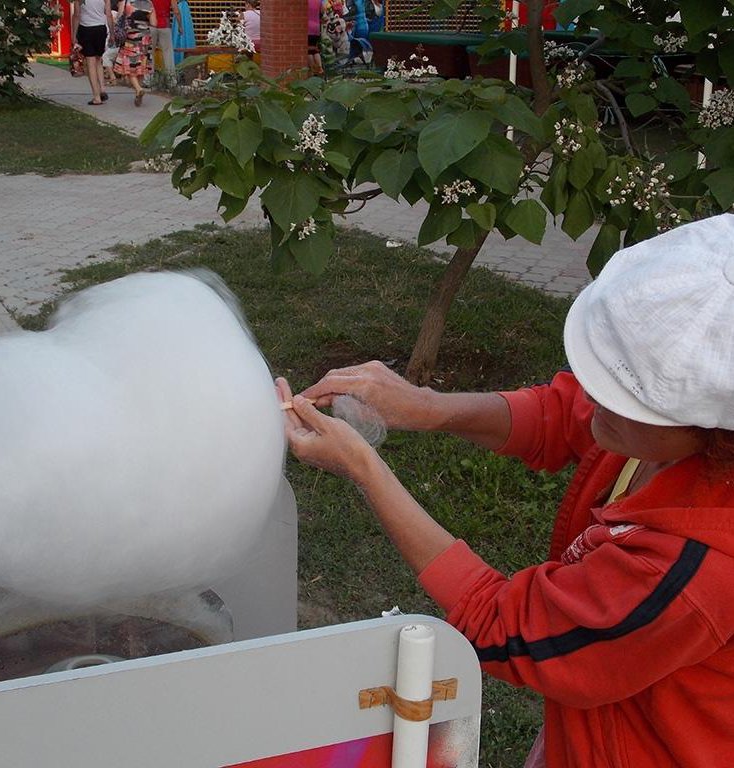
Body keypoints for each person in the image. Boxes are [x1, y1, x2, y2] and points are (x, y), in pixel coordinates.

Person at [277, 213, 734, 768]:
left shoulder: (697, 567)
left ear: (715, 432)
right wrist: (424, 407)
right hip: (596, 729)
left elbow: (505, 626)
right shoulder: (671, 426)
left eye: (624, 398)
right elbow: (564, 414)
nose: (596, 401)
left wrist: (363, 467)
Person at [113, 0, 156, 106]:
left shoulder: (126, 1)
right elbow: (154, 23)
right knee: (141, 65)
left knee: (129, 66)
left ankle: (138, 88)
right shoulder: (149, 3)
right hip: (145, 38)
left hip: (131, 37)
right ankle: (138, 93)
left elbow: (118, 18)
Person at [71, 0, 115, 105]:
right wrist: (112, 33)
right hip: (101, 29)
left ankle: (96, 97)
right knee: (98, 59)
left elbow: (77, 15)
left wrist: (74, 35)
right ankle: (102, 89)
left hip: (86, 29)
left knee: (90, 62)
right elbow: (109, 15)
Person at [150, 0, 182, 80]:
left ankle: (148, 79)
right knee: (168, 53)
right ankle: (171, 79)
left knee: (150, 53)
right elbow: (176, 10)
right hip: (165, 25)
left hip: (151, 25)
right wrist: (180, 26)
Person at [307, 0, 323, 75]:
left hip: (307, 27)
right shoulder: (319, 1)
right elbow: (322, 13)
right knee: (314, 49)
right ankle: (320, 68)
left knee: (308, 51)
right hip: (316, 27)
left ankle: (313, 70)